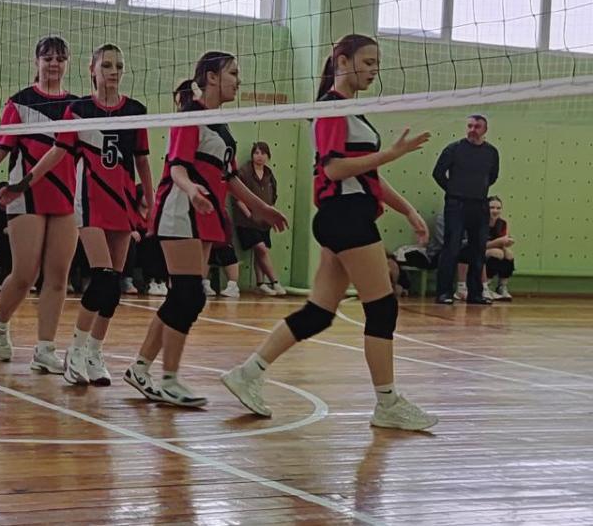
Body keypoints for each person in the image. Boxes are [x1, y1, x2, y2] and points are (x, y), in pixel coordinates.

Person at [220, 34, 438, 431]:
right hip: (346, 217)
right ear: (342, 61)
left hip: (345, 216)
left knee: (318, 314)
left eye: (377, 63)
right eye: (368, 62)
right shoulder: (330, 108)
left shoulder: (352, 112)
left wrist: (407, 209)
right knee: (382, 308)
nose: (374, 70)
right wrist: (390, 153)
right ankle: (387, 403)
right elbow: (334, 169)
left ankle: (247, 373)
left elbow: (368, 175)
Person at [123, 52, 287, 407]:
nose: (238, 80)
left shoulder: (221, 126)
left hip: (204, 215)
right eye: (233, 73)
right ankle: (169, 380)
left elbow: (229, 177)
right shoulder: (190, 116)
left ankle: (140, 368)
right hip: (181, 210)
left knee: (183, 297)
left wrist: (262, 208)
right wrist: (191, 190)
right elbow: (177, 167)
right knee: (188, 294)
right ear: (211, 77)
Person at [3, 44, 153, 386]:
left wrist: (150, 199)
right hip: (89, 202)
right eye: (107, 65)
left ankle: (94, 352)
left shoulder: (136, 111)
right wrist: (22, 183)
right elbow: (57, 153)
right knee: (102, 278)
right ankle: (75, 350)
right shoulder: (79, 110)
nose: (113, 72)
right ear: (92, 70)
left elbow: (143, 161)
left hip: (122, 203)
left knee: (113, 288)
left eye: (119, 66)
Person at [0, 35, 79, 374]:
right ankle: (0, 320)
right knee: (26, 274)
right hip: (24, 195)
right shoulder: (19, 103)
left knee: (58, 276)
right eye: (48, 58)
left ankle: (45, 348)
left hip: (66, 196)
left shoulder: (77, 106)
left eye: (60, 58)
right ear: (36, 62)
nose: (54, 64)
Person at [432, 115, 500, 305]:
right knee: (451, 247)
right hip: (456, 204)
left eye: (477, 126)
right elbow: (438, 173)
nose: (472, 130)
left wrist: (475, 190)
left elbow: (493, 176)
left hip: (479, 204)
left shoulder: (491, 152)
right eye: (470, 126)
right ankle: (444, 293)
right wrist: (453, 190)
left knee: (478, 250)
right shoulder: (454, 149)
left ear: (485, 130)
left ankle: (475, 294)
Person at [233, 141, 286, 296]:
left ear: (268, 156)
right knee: (261, 248)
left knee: (261, 252)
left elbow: (273, 196)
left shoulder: (269, 175)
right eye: (256, 153)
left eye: (263, 153)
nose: (259, 156)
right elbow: (237, 196)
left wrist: (270, 214)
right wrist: (249, 214)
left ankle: (260, 283)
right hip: (247, 222)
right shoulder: (244, 172)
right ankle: (275, 282)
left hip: (264, 222)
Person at [484, 196, 516, 301]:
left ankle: (502, 286)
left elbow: (504, 240)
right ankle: (485, 285)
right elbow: (479, 244)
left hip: (496, 248)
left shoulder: (502, 223)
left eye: (498, 208)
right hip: (480, 250)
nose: (495, 211)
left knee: (509, 254)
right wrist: (498, 242)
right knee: (497, 253)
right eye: (492, 208)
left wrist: (507, 242)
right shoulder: (481, 222)